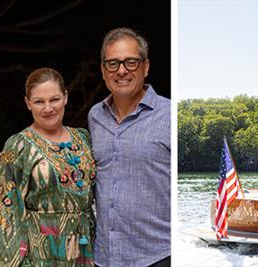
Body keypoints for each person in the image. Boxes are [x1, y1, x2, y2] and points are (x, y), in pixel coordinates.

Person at [0, 68, 96, 265]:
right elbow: (6, 215)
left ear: (65, 97)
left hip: (85, 250)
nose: (48, 108)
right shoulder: (18, 146)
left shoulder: (83, 138)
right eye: (39, 101)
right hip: (41, 254)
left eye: (54, 99)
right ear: (28, 103)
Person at [88, 28, 171, 267]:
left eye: (130, 62)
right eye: (113, 63)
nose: (121, 70)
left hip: (157, 257)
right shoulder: (95, 117)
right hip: (105, 257)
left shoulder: (169, 115)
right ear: (103, 71)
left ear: (145, 67)